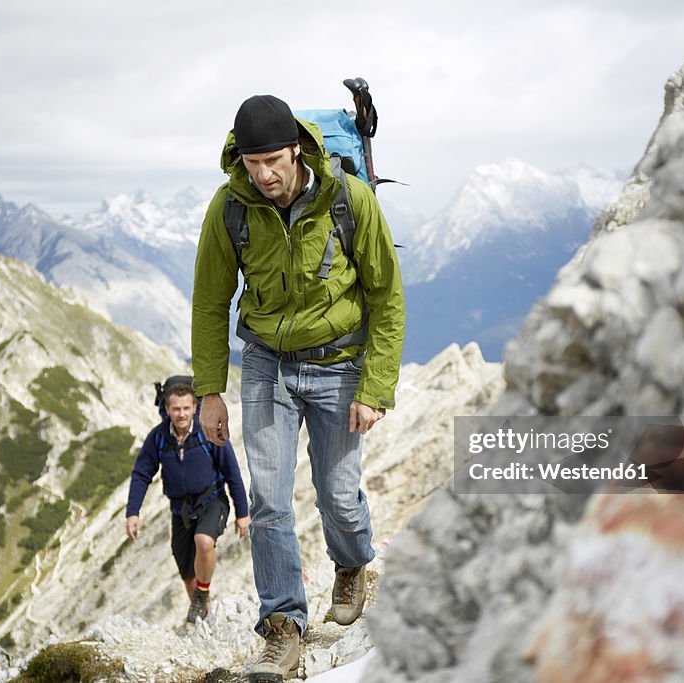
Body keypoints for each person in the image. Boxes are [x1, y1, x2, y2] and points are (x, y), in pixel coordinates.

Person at [191, 94, 405, 681]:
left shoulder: (347, 198)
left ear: (296, 150)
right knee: (267, 499)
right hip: (266, 364)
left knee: (338, 494)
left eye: (272, 161)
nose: (262, 174)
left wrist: (375, 385)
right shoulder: (230, 206)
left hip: (339, 362)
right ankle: (282, 627)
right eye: (252, 162)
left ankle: (354, 563)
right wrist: (211, 389)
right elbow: (210, 301)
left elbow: (386, 294)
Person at [125, 375, 250, 625]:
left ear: (195, 408)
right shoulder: (158, 438)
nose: (181, 414)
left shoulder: (208, 431)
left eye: (186, 408)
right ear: (167, 409)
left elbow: (232, 471)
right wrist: (133, 512)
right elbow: (141, 474)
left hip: (213, 500)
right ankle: (203, 614)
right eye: (176, 409)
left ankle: (203, 593)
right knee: (186, 572)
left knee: (204, 542)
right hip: (180, 510)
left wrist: (242, 512)